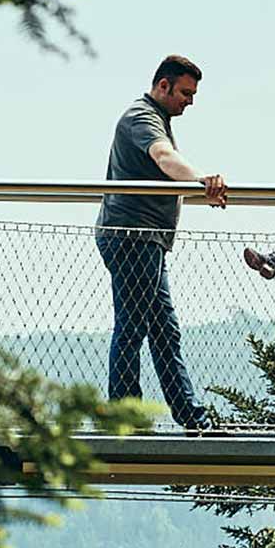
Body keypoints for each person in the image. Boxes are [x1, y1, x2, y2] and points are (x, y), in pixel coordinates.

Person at [95, 55, 230, 436]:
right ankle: (126, 416)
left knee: (163, 329)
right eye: (186, 92)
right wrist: (202, 180)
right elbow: (163, 156)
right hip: (132, 237)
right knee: (135, 326)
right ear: (164, 86)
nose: (190, 101)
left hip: (145, 239)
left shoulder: (156, 118)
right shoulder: (142, 117)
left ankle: (190, 416)